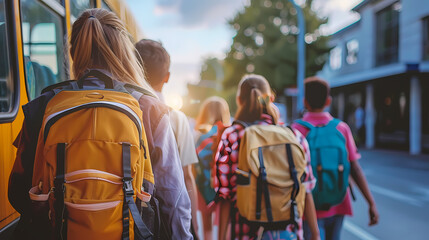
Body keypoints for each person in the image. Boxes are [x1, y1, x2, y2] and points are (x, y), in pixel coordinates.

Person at [9, 8, 192, 239]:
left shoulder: (42, 107)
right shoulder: (150, 109)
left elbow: (17, 191)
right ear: (124, 51)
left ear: (74, 53)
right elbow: (173, 199)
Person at [214, 74, 320, 240]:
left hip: (246, 233)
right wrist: (315, 234)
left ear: (239, 100)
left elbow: (225, 196)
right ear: (270, 98)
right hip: (289, 232)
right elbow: (306, 189)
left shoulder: (232, 136)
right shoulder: (295, 137)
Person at [292, 77, 379, 240]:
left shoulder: (296, 129)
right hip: (339, 201)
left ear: (305, 102)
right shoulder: (342, 128)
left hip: (308, 206)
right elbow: (355, 168)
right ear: (328, 101)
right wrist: (371, 203)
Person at [135, 39, 199, 238]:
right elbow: (186, 178)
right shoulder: (176, 119)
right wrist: (193, 228)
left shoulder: (123, 107)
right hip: (162, 222)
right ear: (167, 77)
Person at [194, 96, 231, 240]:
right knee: (225, 225)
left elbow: (194, 166)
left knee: (207, 227)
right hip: (224, 187)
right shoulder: (228, 134)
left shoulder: (200, 137)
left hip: (203, 186)